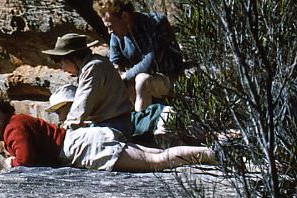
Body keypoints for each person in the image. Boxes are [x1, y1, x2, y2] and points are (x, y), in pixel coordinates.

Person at [42, 33, 215, 171]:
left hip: (113, 125)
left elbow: (82, 106)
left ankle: (213, 154)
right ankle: (212, 153)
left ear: (72, 58)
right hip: (117, 121)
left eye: (61, 62)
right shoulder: (97, 64)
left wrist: (64, 131)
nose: (61, 67)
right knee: (158, 155)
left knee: (156, 159)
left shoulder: (92, 69)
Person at [94, 0, 184, 111]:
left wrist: (126, 75)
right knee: (119, 84)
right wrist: (116, 72)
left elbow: (151, 61)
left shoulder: (155, 23)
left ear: (125, 16)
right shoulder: (116, 35)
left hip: (171, 79)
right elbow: (115, 63)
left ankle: (141, 121)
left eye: (110, 26)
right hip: (141, 82)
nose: (109, 31)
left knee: (142, 80)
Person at [0, 97, 66, 168]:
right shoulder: (11, 126)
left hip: (67, 148)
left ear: (3, 111)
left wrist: (11, 163)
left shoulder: (13, 127)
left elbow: (25, 160)